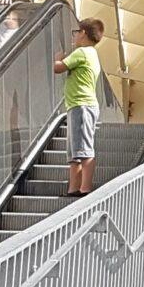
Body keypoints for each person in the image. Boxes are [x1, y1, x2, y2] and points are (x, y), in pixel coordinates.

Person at [55, 16, 104, 196]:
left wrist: (57, 59)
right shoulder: (92, 54)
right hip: (79, 105)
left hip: (81, 105)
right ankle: (73, 188)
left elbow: (59, 68)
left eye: (76, 33)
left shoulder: (82, 52)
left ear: (83, 33)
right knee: (75, 152)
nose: (74, 37)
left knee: (83, 150)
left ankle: (85, 189)